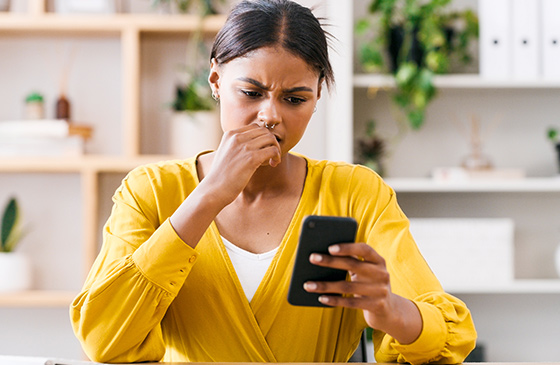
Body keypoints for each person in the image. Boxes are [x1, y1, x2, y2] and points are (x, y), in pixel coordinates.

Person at [70, 0, 477, 363]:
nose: (270, 115)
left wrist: (389, 309)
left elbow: (451, 333)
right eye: (251, 92)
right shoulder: (150, 192)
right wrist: (209, 196)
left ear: (317, 96)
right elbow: (104, 337)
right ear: (215, 82)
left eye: (295, 99)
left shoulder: (356, 192)